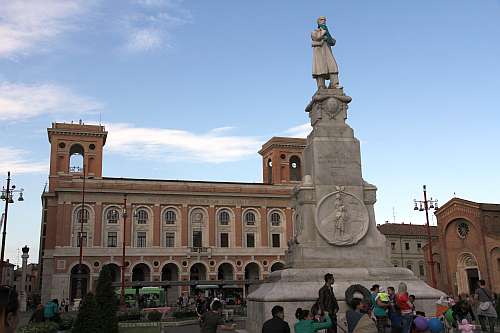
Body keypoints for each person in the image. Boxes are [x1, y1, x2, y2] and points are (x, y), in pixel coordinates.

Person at [311, 16, 341, 89]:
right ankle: (321, 86)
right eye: (321, 20)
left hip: (327, 52)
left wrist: (330, 38)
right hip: (319, 53)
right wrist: (323, 32)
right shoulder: (314, 31)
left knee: (333, 67)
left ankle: (334, 84)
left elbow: (332, 42)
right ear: (318, 22)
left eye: (324, 20)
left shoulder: (327, 33)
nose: (324, 21)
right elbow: (316, 37)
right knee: (320, 69)